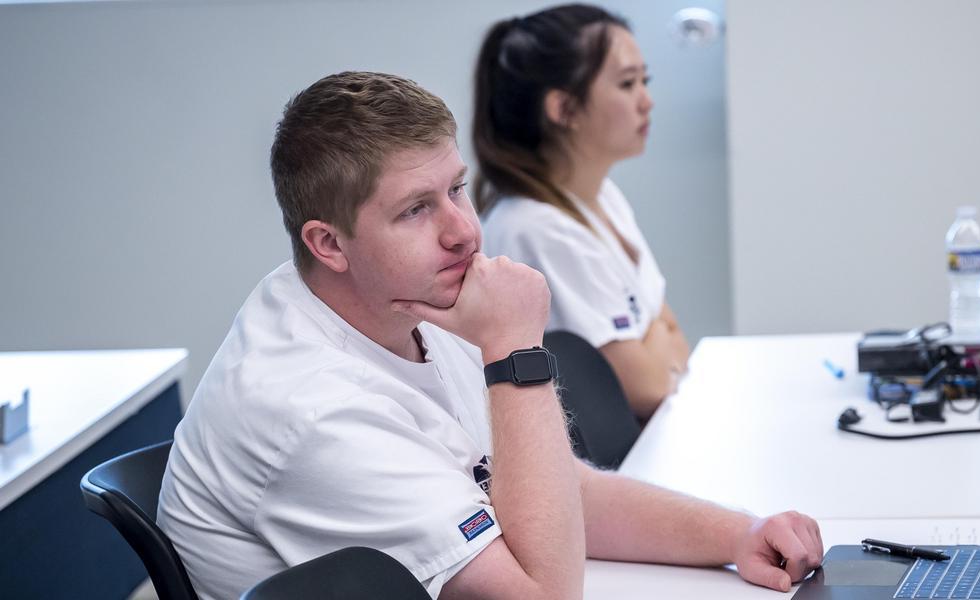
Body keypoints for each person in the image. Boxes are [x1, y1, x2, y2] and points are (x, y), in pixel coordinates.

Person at [157, 71, 822, 600]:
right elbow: (543, 596)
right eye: (417, 209)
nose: (464, 231)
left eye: (457, 190)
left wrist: (741, 534)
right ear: (328, 243)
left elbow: (563, 494)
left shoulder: (401, 301)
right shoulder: (304, 407)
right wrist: (514, 352)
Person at [474, 5, 687, 419]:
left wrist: (658, 341)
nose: (647, 101)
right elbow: (646, 387)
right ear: (564, 109)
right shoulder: (534, 230)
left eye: (646, 80)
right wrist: (658, 334)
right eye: (627, 84)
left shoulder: (603, 195)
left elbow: (675, 342)